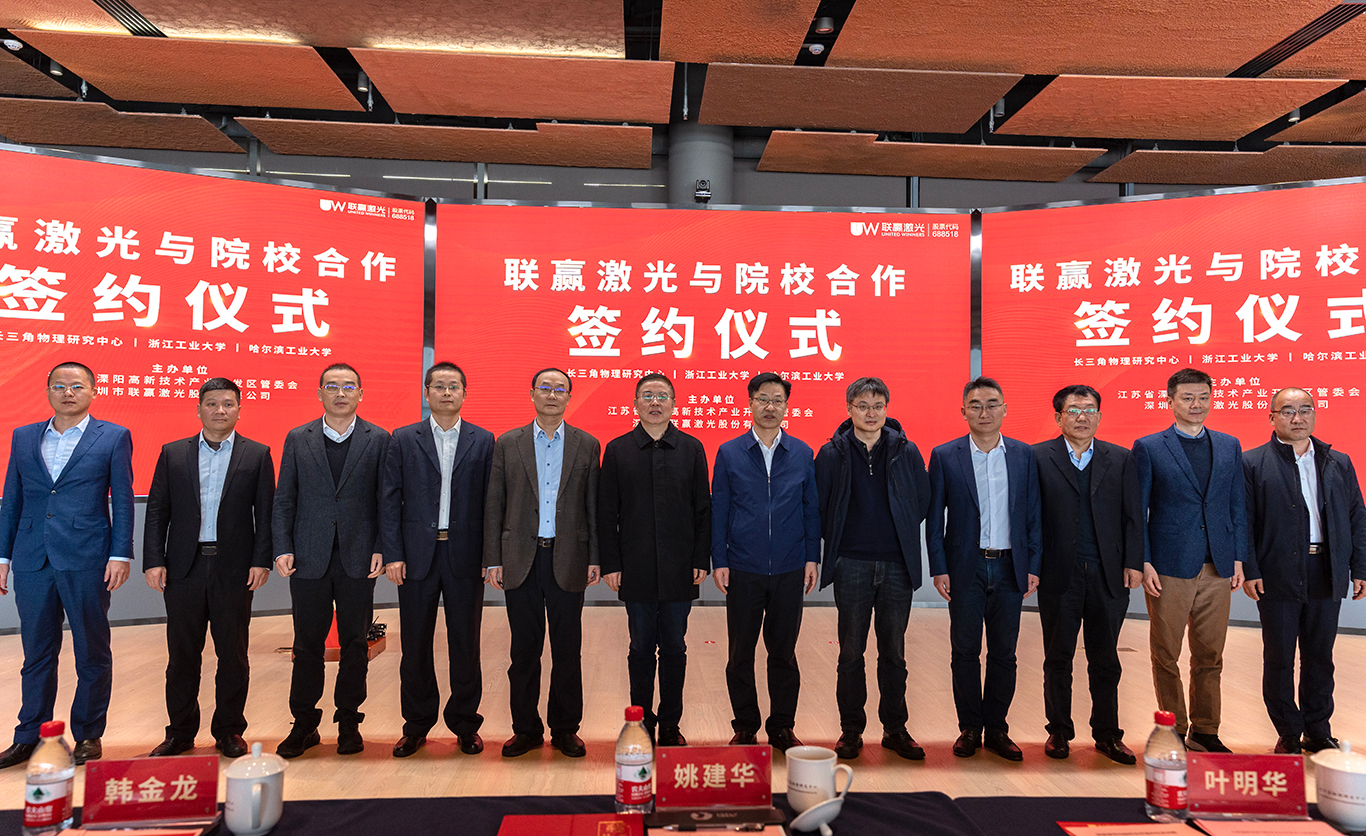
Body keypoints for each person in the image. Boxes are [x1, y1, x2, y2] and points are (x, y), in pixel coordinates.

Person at [0, 361, 134, 769]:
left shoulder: (113, 436)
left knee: (91, 648)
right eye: (59, 386)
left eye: (76, 386)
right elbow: (12, 498)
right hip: (32, 558)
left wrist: (120, 554)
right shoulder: (24, 436)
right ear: (48, 392)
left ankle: (88, 734)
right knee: (36, 652)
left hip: (87, 556)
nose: (68, 392)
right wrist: (3, 556)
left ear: (93, 391)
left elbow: (123, 499)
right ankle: (29, 735)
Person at [142, 378, 275, 759]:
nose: (220, 410)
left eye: (228, 404)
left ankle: (229, 730)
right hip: (183, 568)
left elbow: (266, 513)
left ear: (239, 410)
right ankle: (180, 733)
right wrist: (154, 560)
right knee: (182, 656)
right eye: (212, 403)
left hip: (234, 568)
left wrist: (261, 560)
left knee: (233, 655)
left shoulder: (257, 454)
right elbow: (157, 511)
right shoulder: (173, 453)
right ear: (198, 409)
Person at [272, 363, 390, 758]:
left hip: (360, 556)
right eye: (332, 386)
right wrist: (282, 546)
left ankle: (349, 722)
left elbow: (386, 501)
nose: (341, 393)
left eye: (349, 386)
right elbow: (285, 497)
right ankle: (304, 724)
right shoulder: (298, 438)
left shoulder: (379, 439)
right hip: (308, 556)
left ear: (361, 393)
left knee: (356, 643)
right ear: (319, 392)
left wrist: (382, 546)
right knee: (307, 645)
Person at [484, 368, 601, 759]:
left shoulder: (587, 444)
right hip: (521, 557)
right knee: (524, 650)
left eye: (560, 389)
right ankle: (526, 729)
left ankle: (566, 729)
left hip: (569, 557)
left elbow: (593, 507)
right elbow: (495, 504)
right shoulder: (508, 443)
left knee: (568, 650)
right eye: (545, 388)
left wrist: (595, 557)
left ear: (569, 396)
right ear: (531, 393)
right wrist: (494, 559)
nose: (552, 395)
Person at [1242, 387, 1366, 754]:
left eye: (1305, 409)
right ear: (1272, 417)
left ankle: (1317, 730)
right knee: (1279, 657)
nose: (1298, 417)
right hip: (1277, 570)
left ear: (1315, 413)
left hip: (1326, 568)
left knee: (1320, 657)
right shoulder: (1253, 463)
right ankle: (1288, 732)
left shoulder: (1338, 461)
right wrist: (1250, 568)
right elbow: (1245, 523)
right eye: (1288, 411)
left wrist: (1359, 566)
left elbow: (1357, 517)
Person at [380, 362, 494, 758]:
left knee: (466, 643)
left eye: (454, 386)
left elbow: (490, 504)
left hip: (465, 556)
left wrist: (489, 556)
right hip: (416, 556)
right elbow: (389, 500)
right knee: (414, 645)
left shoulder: (484, 440)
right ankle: (415, 726)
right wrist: (393, 553)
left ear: (464, 393)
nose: (447, 392)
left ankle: (465, 724)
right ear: (426, 392)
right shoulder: (402, 438)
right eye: (439, 386)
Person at [815, 377, 930, 761]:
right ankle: (851, 731)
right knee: (851, 652)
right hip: (851, 563)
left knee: (894, 653)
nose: (871, 413)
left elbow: (922, 500)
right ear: (849, 408)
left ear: (886, 409)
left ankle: (895, 729)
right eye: (863, 406)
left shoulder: (905, 450)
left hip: (897, 565)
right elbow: (821, 505)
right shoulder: (831, 453)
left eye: (878, 406)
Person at [1132, 367, 1247, 753]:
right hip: (1169, 565)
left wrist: (1239, 558)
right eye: (1187, 398)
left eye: (1203, 397)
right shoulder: (1149, 447)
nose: (1196, 404)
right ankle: (1174, 730)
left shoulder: (1229, 445)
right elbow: (1138, 510)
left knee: (1210, 654)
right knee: (1166, 652)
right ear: (1170, 402)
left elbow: (1237, 506)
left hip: (1218, 564)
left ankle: (1206, 730)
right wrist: (1144, 560)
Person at [927, 376, 1041, 761]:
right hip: (966, 566)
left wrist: (1033, 564)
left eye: (992, 404)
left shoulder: (1024, 455)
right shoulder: (945, 455)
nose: (984, 412)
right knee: (964, 651)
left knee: (1004, 653)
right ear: (963, 412)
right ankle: (969, 728)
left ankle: (997, 729)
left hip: (1010, 567)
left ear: (1005, 409)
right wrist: (938, 567)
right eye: (975, 405)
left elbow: (1033, 515)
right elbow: (934, 518)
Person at [1032, 384, 1142, 764]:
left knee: (1106, 659)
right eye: (1074, 410)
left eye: (1090, 410)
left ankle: (1108, 735)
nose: (1083, 417)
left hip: (1108, 574)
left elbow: (1133, 516)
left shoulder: (1121, 458)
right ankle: (1059, 732)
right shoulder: (1037, 457)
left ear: (1099, 415)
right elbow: (1030, 518)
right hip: (1058, 573)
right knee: (1057, 657)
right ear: (1058, 416)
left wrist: (1134, 562)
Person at [599, 373, 710, 746]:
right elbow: (607, 513)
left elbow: (703, 509)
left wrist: (701, 557)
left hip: (681, 568)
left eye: (662, 395)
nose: (655, 402)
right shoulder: (618, 450)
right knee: (641, 648)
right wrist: (611, 563)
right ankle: (642, 723)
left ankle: (672, 725)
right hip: (636, 566)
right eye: (647, 395)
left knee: (675, 647)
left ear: (674, 404)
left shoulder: (692, 448)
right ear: (635, 404)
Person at [711, 372, 820, 752]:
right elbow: (720, 509)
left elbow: (810, 510)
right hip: (743, 566)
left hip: (790, 567)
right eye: (763, 399)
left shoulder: (802, 453)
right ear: (750, 403)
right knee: (740, 653)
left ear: (787, 406)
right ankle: (745, 726)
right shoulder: (729, 452)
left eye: (777, 400)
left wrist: (812, 557)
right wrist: (720, 558)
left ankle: (782, 726)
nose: (770, 406)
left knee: (784, 653)